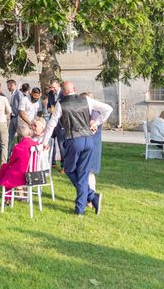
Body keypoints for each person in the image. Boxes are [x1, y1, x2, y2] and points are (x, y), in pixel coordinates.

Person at [41, 82, 112, 216]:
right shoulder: (87, 100)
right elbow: (108, 109)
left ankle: (91, 197)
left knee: (68, 169)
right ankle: (83, 206)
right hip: (89, 140)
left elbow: (52, 123)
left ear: (63, 91)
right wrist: (96, 123)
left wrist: (45, 141)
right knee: (83, 174)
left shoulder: (60, 104)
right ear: (74, 89)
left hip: (74, 140)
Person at [0, 125, 41, 196]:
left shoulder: (18, 147)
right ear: (29, 133)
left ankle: (4, 195)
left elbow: (11, 161)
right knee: (5, 167)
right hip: (34, 173)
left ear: (18, 135)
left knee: (6, 169)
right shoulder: (36, 145)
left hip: (21, 174)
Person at [81, 92, 102, 191]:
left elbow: (92, 130)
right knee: (85, 172)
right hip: (87, 144)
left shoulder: (95, 113)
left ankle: (91, 197)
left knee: (89, 172)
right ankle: (88, 196)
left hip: (92, 145)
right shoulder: (87, 112)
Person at [6, 79, 21, 148]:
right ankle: (8, 156)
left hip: (17, 117)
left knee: (19, 137)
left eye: (8, 86)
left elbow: (21, 105)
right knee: (9, 137)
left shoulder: (18, 94)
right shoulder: (13, 94)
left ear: (12, 85)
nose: (7, 88)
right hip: (12, 117)